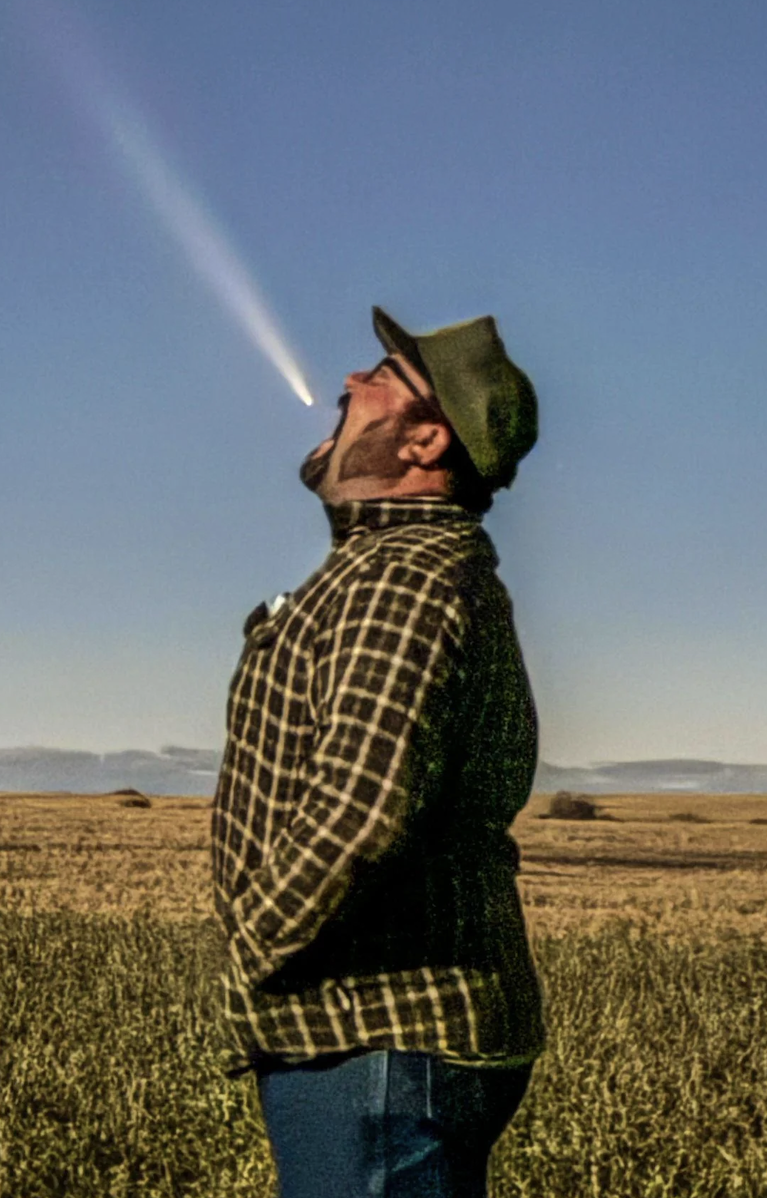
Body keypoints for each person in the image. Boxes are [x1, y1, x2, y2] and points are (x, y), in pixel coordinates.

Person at [210, 306, 545, 1198]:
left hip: (382, 1044)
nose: (349, 385)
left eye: (382, 379)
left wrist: (249, 953)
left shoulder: (404, 580)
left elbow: (361, 810)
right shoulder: (405, 569)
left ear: (428, 440)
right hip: (387, 1042)